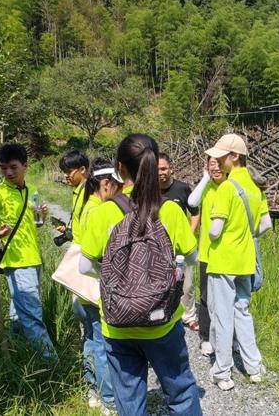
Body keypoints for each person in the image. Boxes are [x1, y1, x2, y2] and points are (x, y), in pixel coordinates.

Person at [79, 134, 202, 416]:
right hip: (162, 322)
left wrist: (114, 276)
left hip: (117, 323)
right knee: (181, 390)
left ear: (119, 168)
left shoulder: (102, 213)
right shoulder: (169, 210)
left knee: (129, 399)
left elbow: (84, 267)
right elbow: (192, 258)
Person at [204, 134, 272, 391]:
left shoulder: (226, 188)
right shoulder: (255, 186)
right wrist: (245, 234)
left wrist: (217, 232)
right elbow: (265, 225)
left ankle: (222, 372)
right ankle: (254, 367)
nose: (217, 161)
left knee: (222, 317)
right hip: (246, 260)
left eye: (221, 157)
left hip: (223, 260)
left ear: (234, 157)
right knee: (242, 312)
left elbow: (214, 231)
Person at [0, 143, 57, 361]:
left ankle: (16, 352)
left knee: (19, 314)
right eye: (3, 168)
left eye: (13, 167)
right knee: (32, 314)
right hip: (15, 261)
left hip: (33, 258)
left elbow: (35, 224)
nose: (8, 172)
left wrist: (41, 216)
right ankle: (51, 363)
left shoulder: (32, 190)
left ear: (25, 166)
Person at [62, 155, 122, 410]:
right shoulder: (98, 210)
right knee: (103, 342)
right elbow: (95, 255)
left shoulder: (86, 204)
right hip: (95, 284)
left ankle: (93, 388)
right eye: (117, 186)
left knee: (90, 336)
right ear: (106, 184)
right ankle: (109, 398)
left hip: (83, 286)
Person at [186, 156, 227, 357]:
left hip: (227, 253)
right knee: (205, 297)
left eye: (220, 163)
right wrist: (204, 178)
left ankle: (229, 338)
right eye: (212, 164)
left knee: (228, 299)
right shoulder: (207, 187)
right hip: (207, 253)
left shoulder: (230, 187)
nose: (216, 168)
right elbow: (191, 202)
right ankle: (205, 337)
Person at [158, 152, 201, 332]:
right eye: (157, 169)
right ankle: (163, 313)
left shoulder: (182, 188)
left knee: (187, 283)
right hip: (158, 246)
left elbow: (195, 212)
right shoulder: (149, 190)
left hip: (181, 246)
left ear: (171, 169)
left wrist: (189, 233)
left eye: (164, 168)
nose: (161, 173)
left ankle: (189, 316)